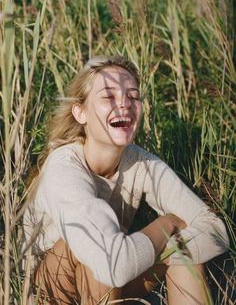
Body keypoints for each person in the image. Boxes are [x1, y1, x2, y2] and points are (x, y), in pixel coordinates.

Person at [23, 55, 229, 304]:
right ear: (80, 112)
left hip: (111, 280)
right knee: (93, 247)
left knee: (184, 252)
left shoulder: (140, 162)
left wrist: (174, 245)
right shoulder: (63, 168)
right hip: (50, 291)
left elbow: (215, 229)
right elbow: (110, 263)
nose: (124, 104)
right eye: (108, 96)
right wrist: (167, 223)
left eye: (133, 96)